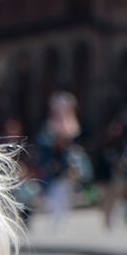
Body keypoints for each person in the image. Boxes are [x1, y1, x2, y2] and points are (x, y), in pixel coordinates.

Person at [35, 92, 91, 234]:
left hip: (65, 176)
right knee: (54, 199)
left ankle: (60, 224)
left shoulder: (70, 143)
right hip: (53, 176)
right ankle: (55, 223)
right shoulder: (48, 136)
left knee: (64, 200)